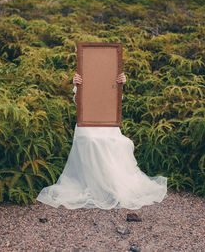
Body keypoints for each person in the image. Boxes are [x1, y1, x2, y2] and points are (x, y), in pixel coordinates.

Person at [36, 72, 168, 210]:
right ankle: (95, 187)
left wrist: (120, 85)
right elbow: (78, 102)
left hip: (107, 121)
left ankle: (111, 186)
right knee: (91, 140)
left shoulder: (111, 71)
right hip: (87, 121)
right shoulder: (84, 70)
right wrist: (77, 85)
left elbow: (116, 101)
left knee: (118, 141)